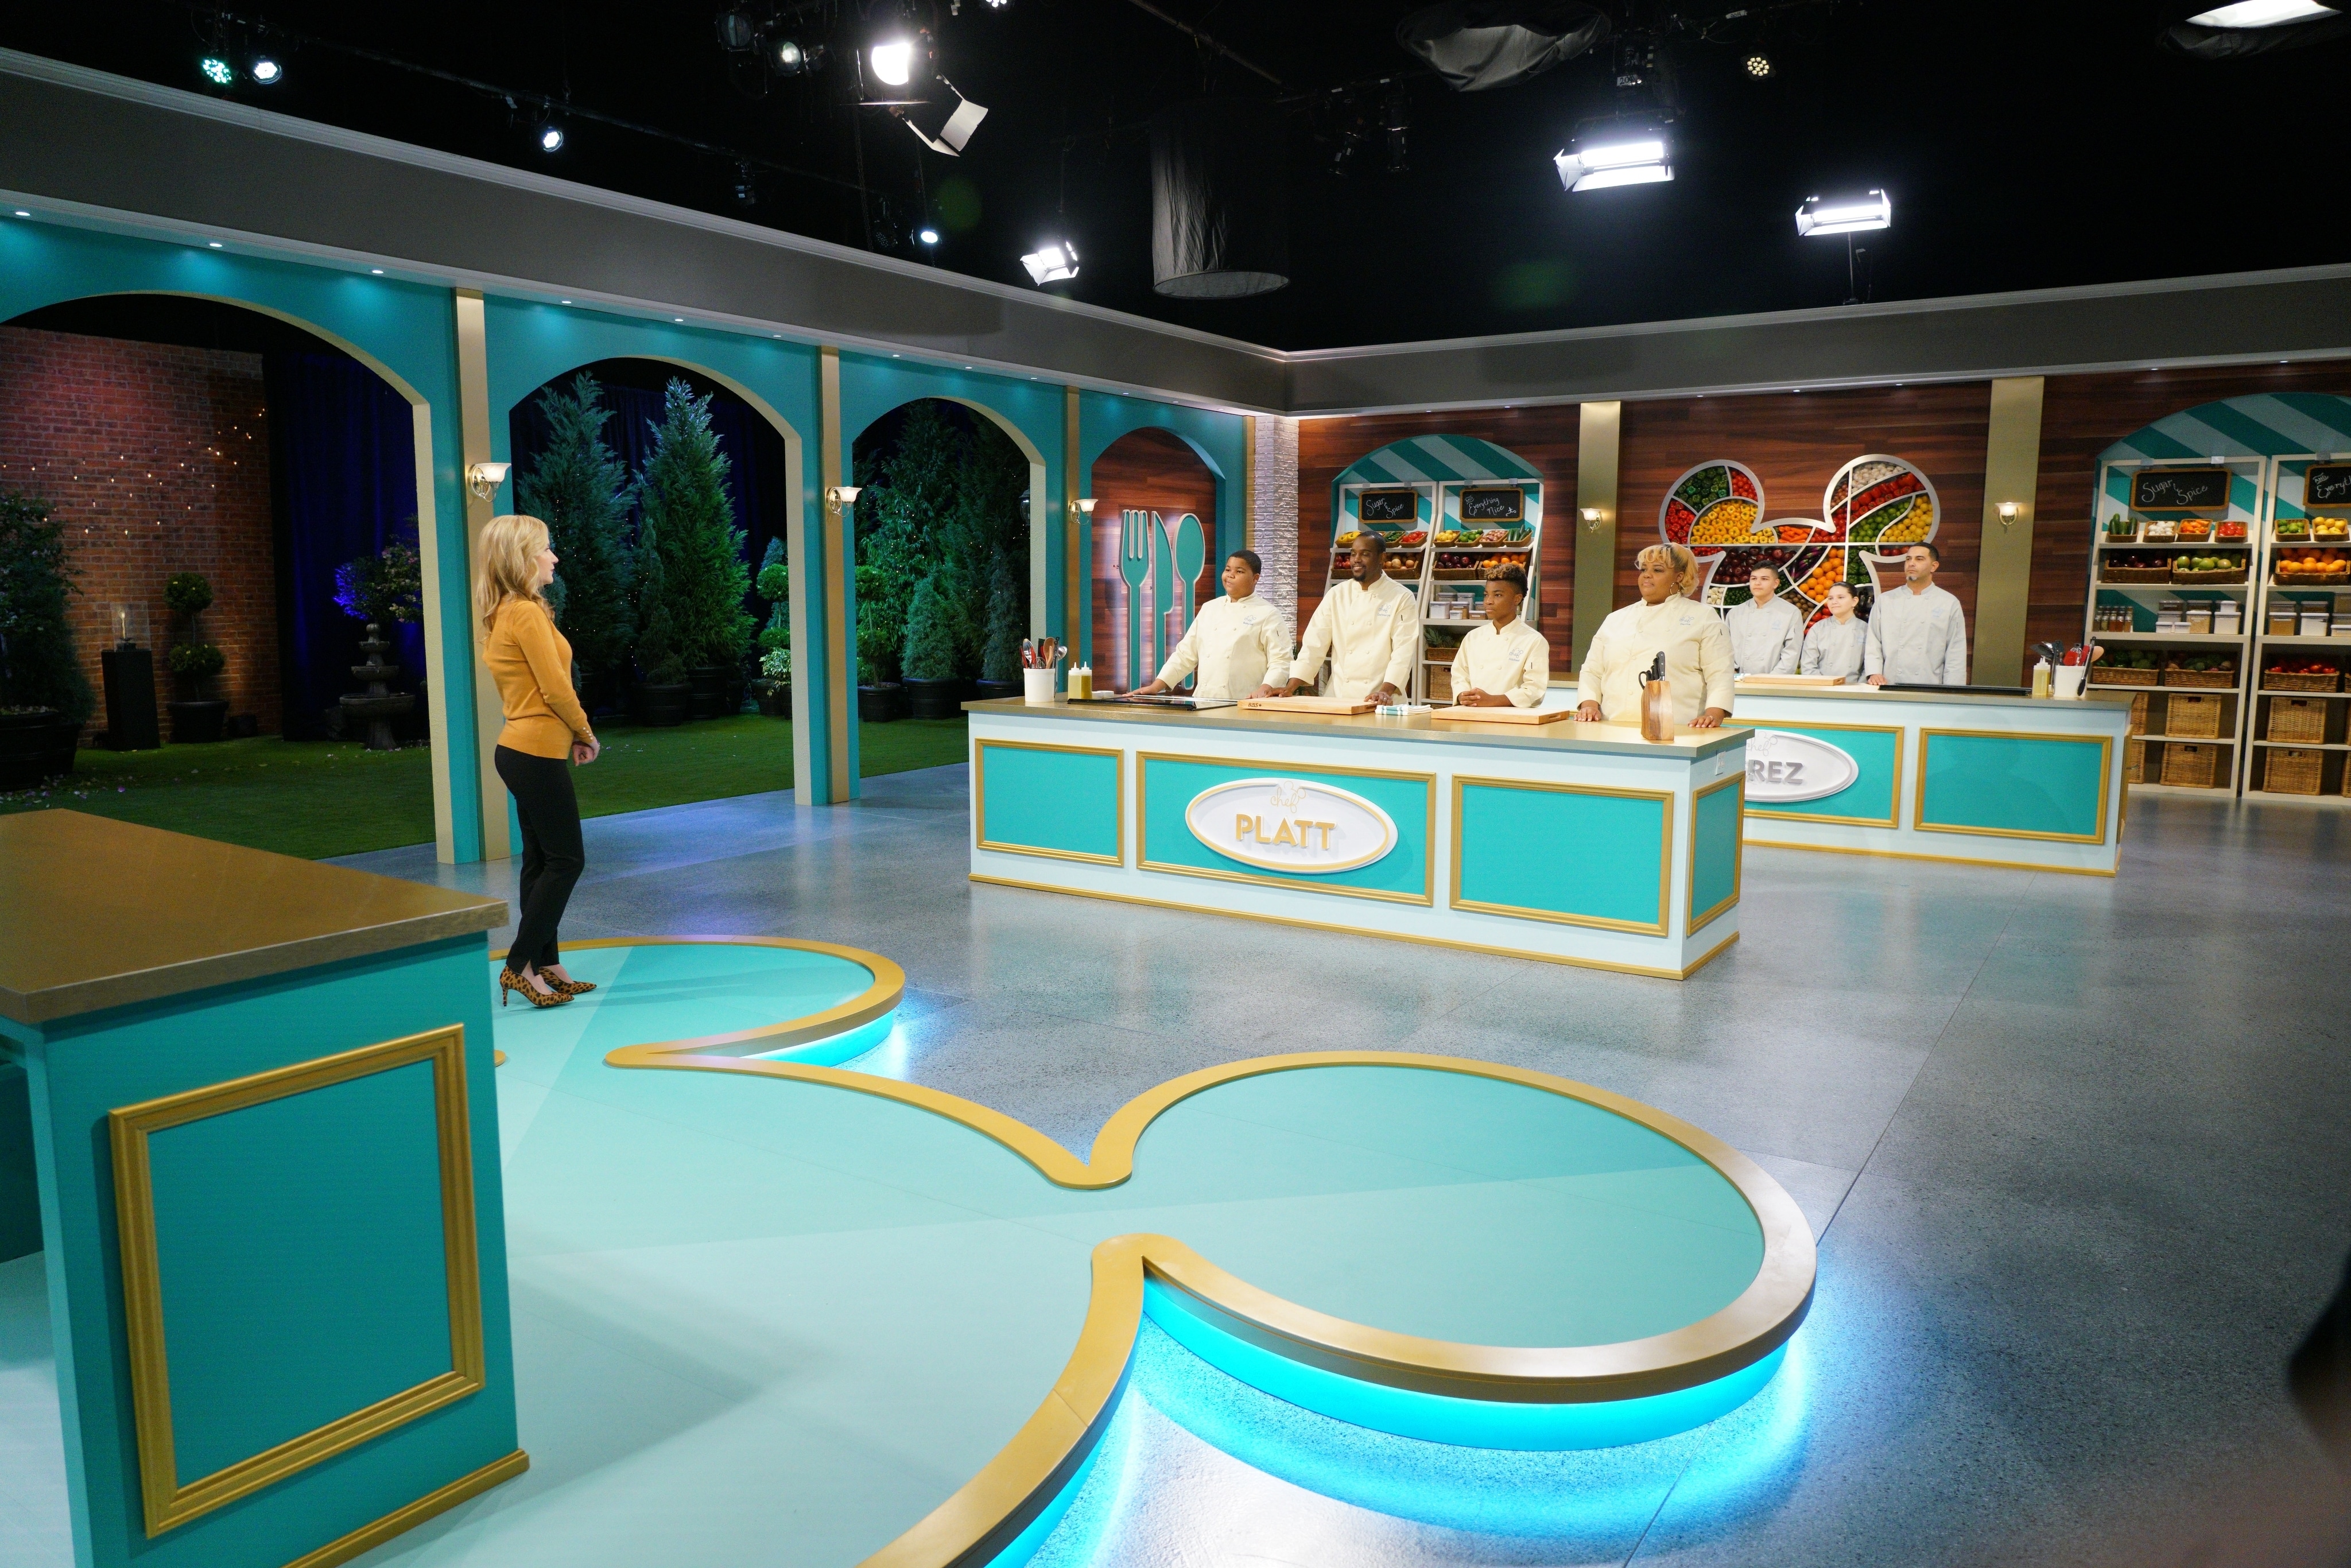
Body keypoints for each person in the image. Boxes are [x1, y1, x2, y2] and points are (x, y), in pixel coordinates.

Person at [476, 513, 600, 1010]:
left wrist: (569, 737)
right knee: (567, 860)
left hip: (524, 751)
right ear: (521, 557)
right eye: (546, 549)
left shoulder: (510, 610)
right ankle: (519, 964)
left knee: (542, 860)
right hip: (532, 753)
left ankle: (545, 964)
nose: (554, 557)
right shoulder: (525, 613)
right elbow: (556, 690)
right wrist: (585, 733)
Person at [1574, 542, 1734, 728]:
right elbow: (1592, 671)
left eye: (1657, 570)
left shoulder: (1703, 617)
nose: (1647, 575)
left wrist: (1713, 715)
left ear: (1679, 576)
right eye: (1644, 569)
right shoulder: (1615, 619)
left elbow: (1720, 673)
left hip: (1679, 730)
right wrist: (1589, 705)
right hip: (1612, 728)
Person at [1131, 548, 1291, 701]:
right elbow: (1185, 654)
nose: (1230, 575)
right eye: (1228, 570)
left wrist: (1265, 689)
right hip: (1204, 701)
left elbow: (1281, 661)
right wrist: (1156, 686)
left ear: (1255, 578)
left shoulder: (1268, 614)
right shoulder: (1210, 608)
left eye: (1239, 572)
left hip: (1245, 701)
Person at [1280, 531, 1419, 704]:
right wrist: (1289, 688)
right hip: (1340, 698)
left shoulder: (1401, 597)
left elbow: (1403, 652)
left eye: (1365, 554)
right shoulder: (1337, 594)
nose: (1356, 560)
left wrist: (1385, 692)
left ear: (1382, 558)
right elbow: (1314, 645)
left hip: (1382, 700)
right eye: (1353, 554)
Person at [1865, 542, 1968, 686]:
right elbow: (1874, 640)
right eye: (1908, 559)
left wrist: (1952, 690)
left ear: (1934, 566)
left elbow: (1955, 651)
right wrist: (1874, 672)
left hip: (1930, 685)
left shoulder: (1948, 603)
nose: (1911, 563)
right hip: (1888, 683)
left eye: (1919, 559)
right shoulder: (1886, 600)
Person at [1448, 565, 1549, 707]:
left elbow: (1534, 691)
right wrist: (1463, 695)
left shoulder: (1534, 641)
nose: (1488, 601)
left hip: (1512, 717)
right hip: (1472, 713)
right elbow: (1460, 674)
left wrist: (1492, 700)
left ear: (1517, 599)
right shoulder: (1473, 637)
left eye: (1498, 595)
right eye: (1486, 595)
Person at [1724, 564, 1803, 675]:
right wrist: (1733, 672)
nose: (1757, 583)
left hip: (1774, 682)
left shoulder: (1790, 613)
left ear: (1776, 583)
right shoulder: (1735, 613)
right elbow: (1725, 648)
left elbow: (1792, 653)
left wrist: (1771, 679)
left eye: (1764, 579)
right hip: (1738, 680)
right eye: (1754, 579)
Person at [1801, 581, 1869, 682]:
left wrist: (1858, 687)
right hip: (1822, 687)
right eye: (1830, 598)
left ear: (1854, 601)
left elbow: (1869, 666)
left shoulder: (1866, 630)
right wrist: (1823, 686)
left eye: (1841, 597)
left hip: (1855, 688)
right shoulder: (1818, 629)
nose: (1834, 602)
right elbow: (1808, 665)